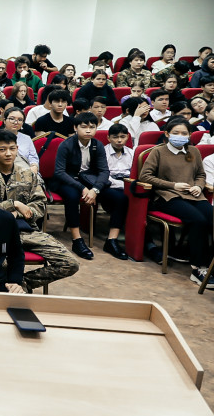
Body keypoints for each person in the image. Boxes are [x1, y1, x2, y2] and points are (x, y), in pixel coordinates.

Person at [0, 130, 79, 291]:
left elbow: (40, 204)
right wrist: (13, 204)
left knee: (70, 263)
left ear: (17, 148)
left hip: (26, 231)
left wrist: (18, 213)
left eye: (12, 148)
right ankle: (5, 289)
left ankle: (23, 284)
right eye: (2, 149)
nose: (8, 153)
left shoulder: (28, 174)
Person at [138, 117, 214, 286]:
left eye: (184, 133)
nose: (180, 136)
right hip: (167, 196)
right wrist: (173, 185)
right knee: (198, 220)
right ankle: (198, 268)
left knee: (211, 217)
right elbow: (145, 176)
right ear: (167, 134)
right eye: (176, 133)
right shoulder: (158, 152)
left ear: (190, 135)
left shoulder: (193, 151)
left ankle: (210, 262)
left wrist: (199, 187)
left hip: (193, 195)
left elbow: (200, 175)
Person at [50, 112, 128, 260]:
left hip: (89, 181)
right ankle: (77, 240)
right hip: (66, 180)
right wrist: (83, 189)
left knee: (120, 198)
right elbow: (59, 172)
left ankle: (112, 240)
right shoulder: (66, 144)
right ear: (75, 128)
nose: (88, 130)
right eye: (84, 127)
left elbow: (104, 171)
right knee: (72, 196)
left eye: (92, 127)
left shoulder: (97, 145)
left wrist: (95, 189)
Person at [0, 107, 39, 173]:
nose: (16, 122)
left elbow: (33, 157)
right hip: (1, 171)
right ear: (4, 120)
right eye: (12, 119)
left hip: (26, 171)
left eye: (20, 120)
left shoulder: (27, 138)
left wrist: (34, 166)